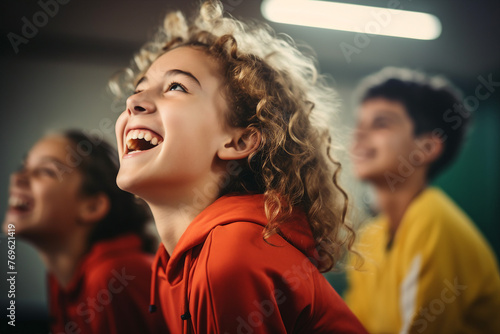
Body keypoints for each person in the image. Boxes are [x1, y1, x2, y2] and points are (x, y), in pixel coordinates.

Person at [109, 1, 367, 333]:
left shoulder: (232, 254)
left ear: (238, 142)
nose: (133, 102)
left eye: (176, 86)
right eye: (138, 89)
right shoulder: (176, 265)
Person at [345, 67, 500, 333]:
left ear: (426, 148)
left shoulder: (432, 222)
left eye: (381, 123)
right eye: (359, 124)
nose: (358, 135)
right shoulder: (370, 237)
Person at [2, 130, 168, 334]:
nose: (17, 177)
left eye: (46, 171)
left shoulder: (111, 277)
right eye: (23, 167)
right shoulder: (60, 279)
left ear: (92, 207)